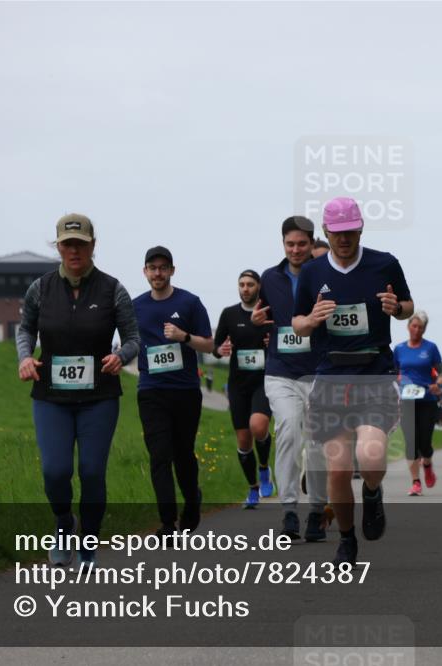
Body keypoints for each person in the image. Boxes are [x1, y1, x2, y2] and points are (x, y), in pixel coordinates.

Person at [292, 196, 414, 567]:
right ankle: (346, 539)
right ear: (326, 232)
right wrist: (311, 319)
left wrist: (397, 309)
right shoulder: (312, 273)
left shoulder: (384, 264)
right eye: (337, 233)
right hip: (331, 376)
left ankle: (373, 494)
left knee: (372, 455)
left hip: (374, 373)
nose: (344, 239)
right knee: (339, 468)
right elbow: (296, 324)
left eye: (350, 232)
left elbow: (408, 306)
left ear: (360, 229)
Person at [17, 214, 140, 567]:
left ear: (92, 246)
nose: (74, 251)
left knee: (90, 471)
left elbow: (133, 338)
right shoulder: (40, 288)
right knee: (55, 471)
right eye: (68, 244)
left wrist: (121, 356)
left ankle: (88, 541)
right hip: (51, 397)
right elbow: (25, 330)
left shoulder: (112, 289)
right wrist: (25, 358)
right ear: (58, 246)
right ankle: (62, 523)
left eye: (81, 244)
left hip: (99, 398)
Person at [253, 215, 329, 541]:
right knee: (287, 431)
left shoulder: (326, 277)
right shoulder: (269, 278)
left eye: (301, 244)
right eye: (290, 244)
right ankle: (288, 511)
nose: (296, 249)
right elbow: (262, 314)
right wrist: (257, 320)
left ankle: (316, 511)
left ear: (312, 244)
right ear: (283, 244)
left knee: (316, 443)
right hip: (281, 370)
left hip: (319, 371)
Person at [134, 246, 215, 540]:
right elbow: (128, 342)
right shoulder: (136, 307)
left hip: (185, 391)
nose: (157, 273)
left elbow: (209, 344)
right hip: (151, 391)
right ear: (145, 272)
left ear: (172, 270)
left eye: (162, 267)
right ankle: (167, 524)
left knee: (182, 454)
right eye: (152, 268)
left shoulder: (190, 303)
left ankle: (192, 501)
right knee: (159, 455)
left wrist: (184, 337)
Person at [214, 270, 275, 509]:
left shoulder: (270, 313)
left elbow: (284, 339)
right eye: (242, 284)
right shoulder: (229, 314)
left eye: (250, 284)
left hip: (263, 381)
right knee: (243, 439)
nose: (246, 288)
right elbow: (216, 345)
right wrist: (221, 350)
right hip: (238, 384)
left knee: (258, 426)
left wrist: (273, 344)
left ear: (258, 286)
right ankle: (252, 489)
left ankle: (264, 469)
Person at [393, 311, 442, 496]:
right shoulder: (399, 349)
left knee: (425, 443)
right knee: (411, 442)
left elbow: (441, 372)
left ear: (424, 330)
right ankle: (415, 482)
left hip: (427, 400)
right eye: (414, 326)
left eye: (420, 327)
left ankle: (428, 465)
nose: (416, 330)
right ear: (408, 327)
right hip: (407, 400)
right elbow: (392, 372)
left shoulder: (430, 348)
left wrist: (438, 384)